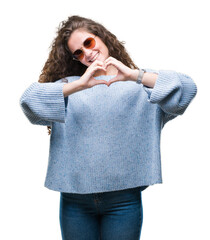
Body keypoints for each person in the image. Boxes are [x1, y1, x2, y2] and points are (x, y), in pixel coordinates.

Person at [19, 15, 197, 240]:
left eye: (88, 43)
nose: (87, 53)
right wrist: (80, 84)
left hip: (123, 201)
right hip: (75, 201)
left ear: (102, 37)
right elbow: (28, 101)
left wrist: (134, 74)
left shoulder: (138, 85)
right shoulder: (69, 87)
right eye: (78, 53)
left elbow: (187, 88)